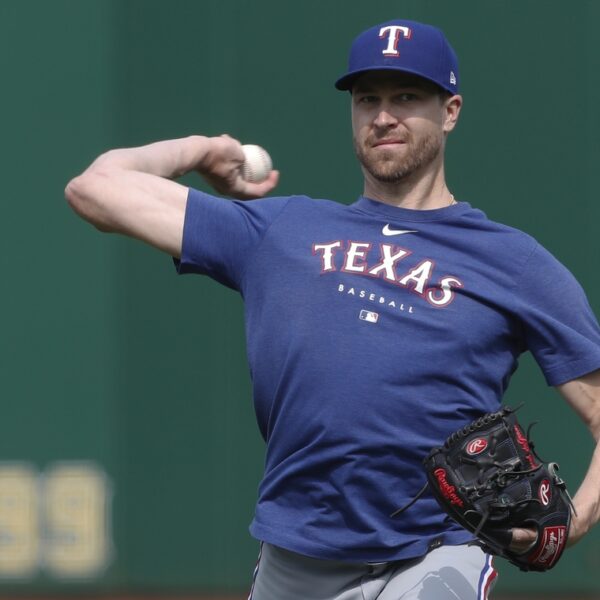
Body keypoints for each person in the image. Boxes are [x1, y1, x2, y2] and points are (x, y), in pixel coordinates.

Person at [65, 19, 600, 600]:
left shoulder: (513, 261)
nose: (383, 116)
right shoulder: (282, 229)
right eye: (367, 98)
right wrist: (204, 149)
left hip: (435, 552)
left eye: (406, 97)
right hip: (295, 554)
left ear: (451, 111)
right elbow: (95, 187)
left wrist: (574, 523)